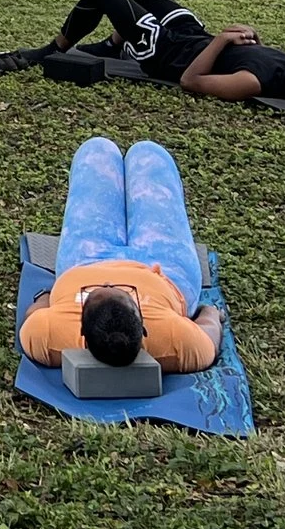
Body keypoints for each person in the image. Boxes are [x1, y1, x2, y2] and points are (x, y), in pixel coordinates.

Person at [0, 0, 285, 111]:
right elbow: (248, 55)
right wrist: (246, 39)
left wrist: (221, 40)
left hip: (166, 53)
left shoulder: (251, 84)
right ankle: (115, 43)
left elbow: (191, 81)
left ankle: (54, 48)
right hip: (194, 38)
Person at [20, 137, 224, 372]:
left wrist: (45, 297)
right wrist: (209, 312)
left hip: (86, 258)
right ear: (144, 326)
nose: (108, 283)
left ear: (81, 331)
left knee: (96, 150)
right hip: (167, 266)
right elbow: (209, 331)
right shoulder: (179, 342)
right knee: (149, 154)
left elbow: (33, 314)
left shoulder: (45, 336)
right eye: (125, 293)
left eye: (96, 292)